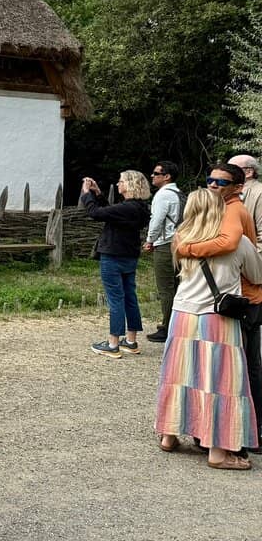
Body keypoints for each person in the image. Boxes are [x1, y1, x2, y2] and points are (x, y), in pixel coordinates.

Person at [155, 188, 262, 469]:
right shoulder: (238, 243)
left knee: (179, 375)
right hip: (218, 317)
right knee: (221, 383)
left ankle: (169, 435)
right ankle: (218, 451)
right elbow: (256, 274)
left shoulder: (181, 239)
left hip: (182, 314)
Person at [81, 170, 151, 359]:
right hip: (130, 256)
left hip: (113, 256)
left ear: (130, 185)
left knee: (115, 300)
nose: (118, 184)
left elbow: (95, 213)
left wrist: (86, 194)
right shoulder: (140, 208)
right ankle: (130, 340)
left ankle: (112, 343)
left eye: (121, 181)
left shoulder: (127, 208)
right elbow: (111, 213)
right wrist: (98, 194)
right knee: (129, 297)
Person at [144, 161, 183, 343]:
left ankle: (167, 327)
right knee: (177, 285)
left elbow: (157, 220)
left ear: (166, 176)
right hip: (180, 243)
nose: (152, 176)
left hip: (166, 244)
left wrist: (150, 240)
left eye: (156, 173)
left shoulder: (163, 195)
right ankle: (177, 324)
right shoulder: (179, 194)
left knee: (166, 288)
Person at [230, 154, 262, 240]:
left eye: (232, 169)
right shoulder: (231, 192)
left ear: (249, 172)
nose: (226, 172)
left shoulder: (259, 192)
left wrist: (252, 253)